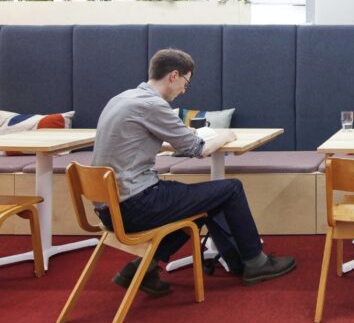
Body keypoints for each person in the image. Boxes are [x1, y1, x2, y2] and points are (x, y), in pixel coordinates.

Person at [91, 48, 295, 296]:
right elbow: (198, 149)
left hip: (109, 208)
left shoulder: (122, 98)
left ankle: (142, 268)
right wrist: (225, 135)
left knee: (201, 205)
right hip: (135, 205)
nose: (184, 90)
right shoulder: (153, 105)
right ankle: (256, 262)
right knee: (231, 188)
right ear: (174, 75)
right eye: (185, 83)